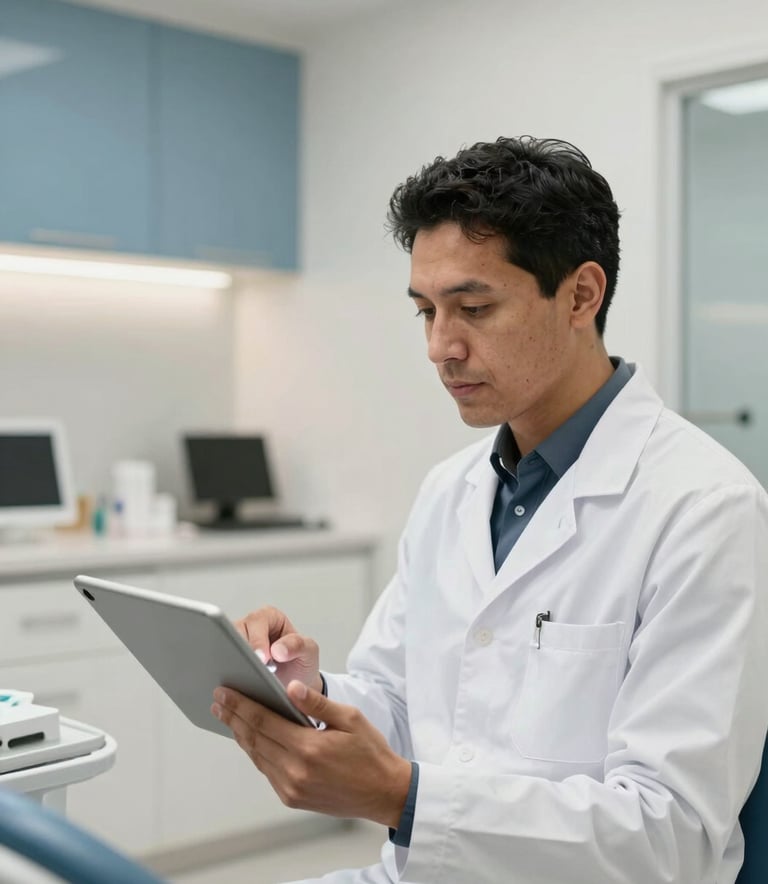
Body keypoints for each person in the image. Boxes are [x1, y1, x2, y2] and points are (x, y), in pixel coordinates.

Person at [210, 137, 768, 884]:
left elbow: (672, 836)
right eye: (426, 312)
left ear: (580, 295)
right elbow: (405, 711)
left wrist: (405, 800)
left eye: (473, 307)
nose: (442, 347)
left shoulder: (706, 509)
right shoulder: (453, 489)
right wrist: (311, 692)